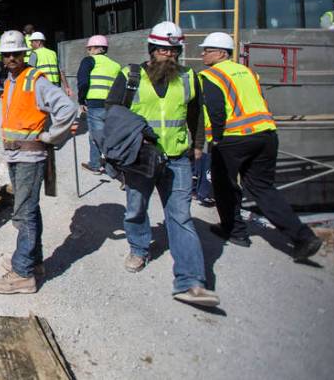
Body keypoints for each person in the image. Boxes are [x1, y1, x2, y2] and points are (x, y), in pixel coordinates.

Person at [104, 21, 219, 307]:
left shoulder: (190, 78)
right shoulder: (130, 76)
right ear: (152, 50)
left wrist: (197, 146)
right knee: (136, 208)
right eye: (162, 50)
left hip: (177, 158)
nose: (168, 55)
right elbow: (112, 112)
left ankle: (191, 281)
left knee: (180, 216)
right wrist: (125, 144)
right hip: (140, 157)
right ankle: (139, 248)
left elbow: (195, 115)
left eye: (173, 50)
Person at [198, 32, 322, 260]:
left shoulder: (211, 76)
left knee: (223, 185)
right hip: (266, 135)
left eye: (207, 50)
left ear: (222, 53)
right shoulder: (248, 72)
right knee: (263, 188)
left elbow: (215, 110)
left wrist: (215, 139)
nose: (202, 54)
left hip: (233, 138)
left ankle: (235, 231)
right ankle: (303, 237)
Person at [0, 30, 76, 295]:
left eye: (16, 54)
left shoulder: (34, 81)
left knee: (24, 213)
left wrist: (50, 136)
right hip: (16, 155)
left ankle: (23, 272)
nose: (11, 58)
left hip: (30, 156)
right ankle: (34, 262)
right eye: (7, 54)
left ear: (24, 54)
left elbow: (68, 108)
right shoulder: (11, 80)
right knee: (29, 209)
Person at [75, 35, 121, 175]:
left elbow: (83, 82)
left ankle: (115, 171)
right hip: (113, 105)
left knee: (97, 137)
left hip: (95, 104)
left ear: (96, 48)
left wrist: (81, 100)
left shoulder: (89, 61)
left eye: (89, 48)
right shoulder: (116, 65)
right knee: (104, 135)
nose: (88, 51)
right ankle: (97, 163)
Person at [27, 32, 71, 96]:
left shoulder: (34, 53)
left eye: (32, 42)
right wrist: (66, 87)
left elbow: (30, 72)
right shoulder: (53, 53)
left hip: (43, 88)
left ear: (38, 42)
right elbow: (61, 71)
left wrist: (28, 91)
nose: (31, 44)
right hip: (56, 88)